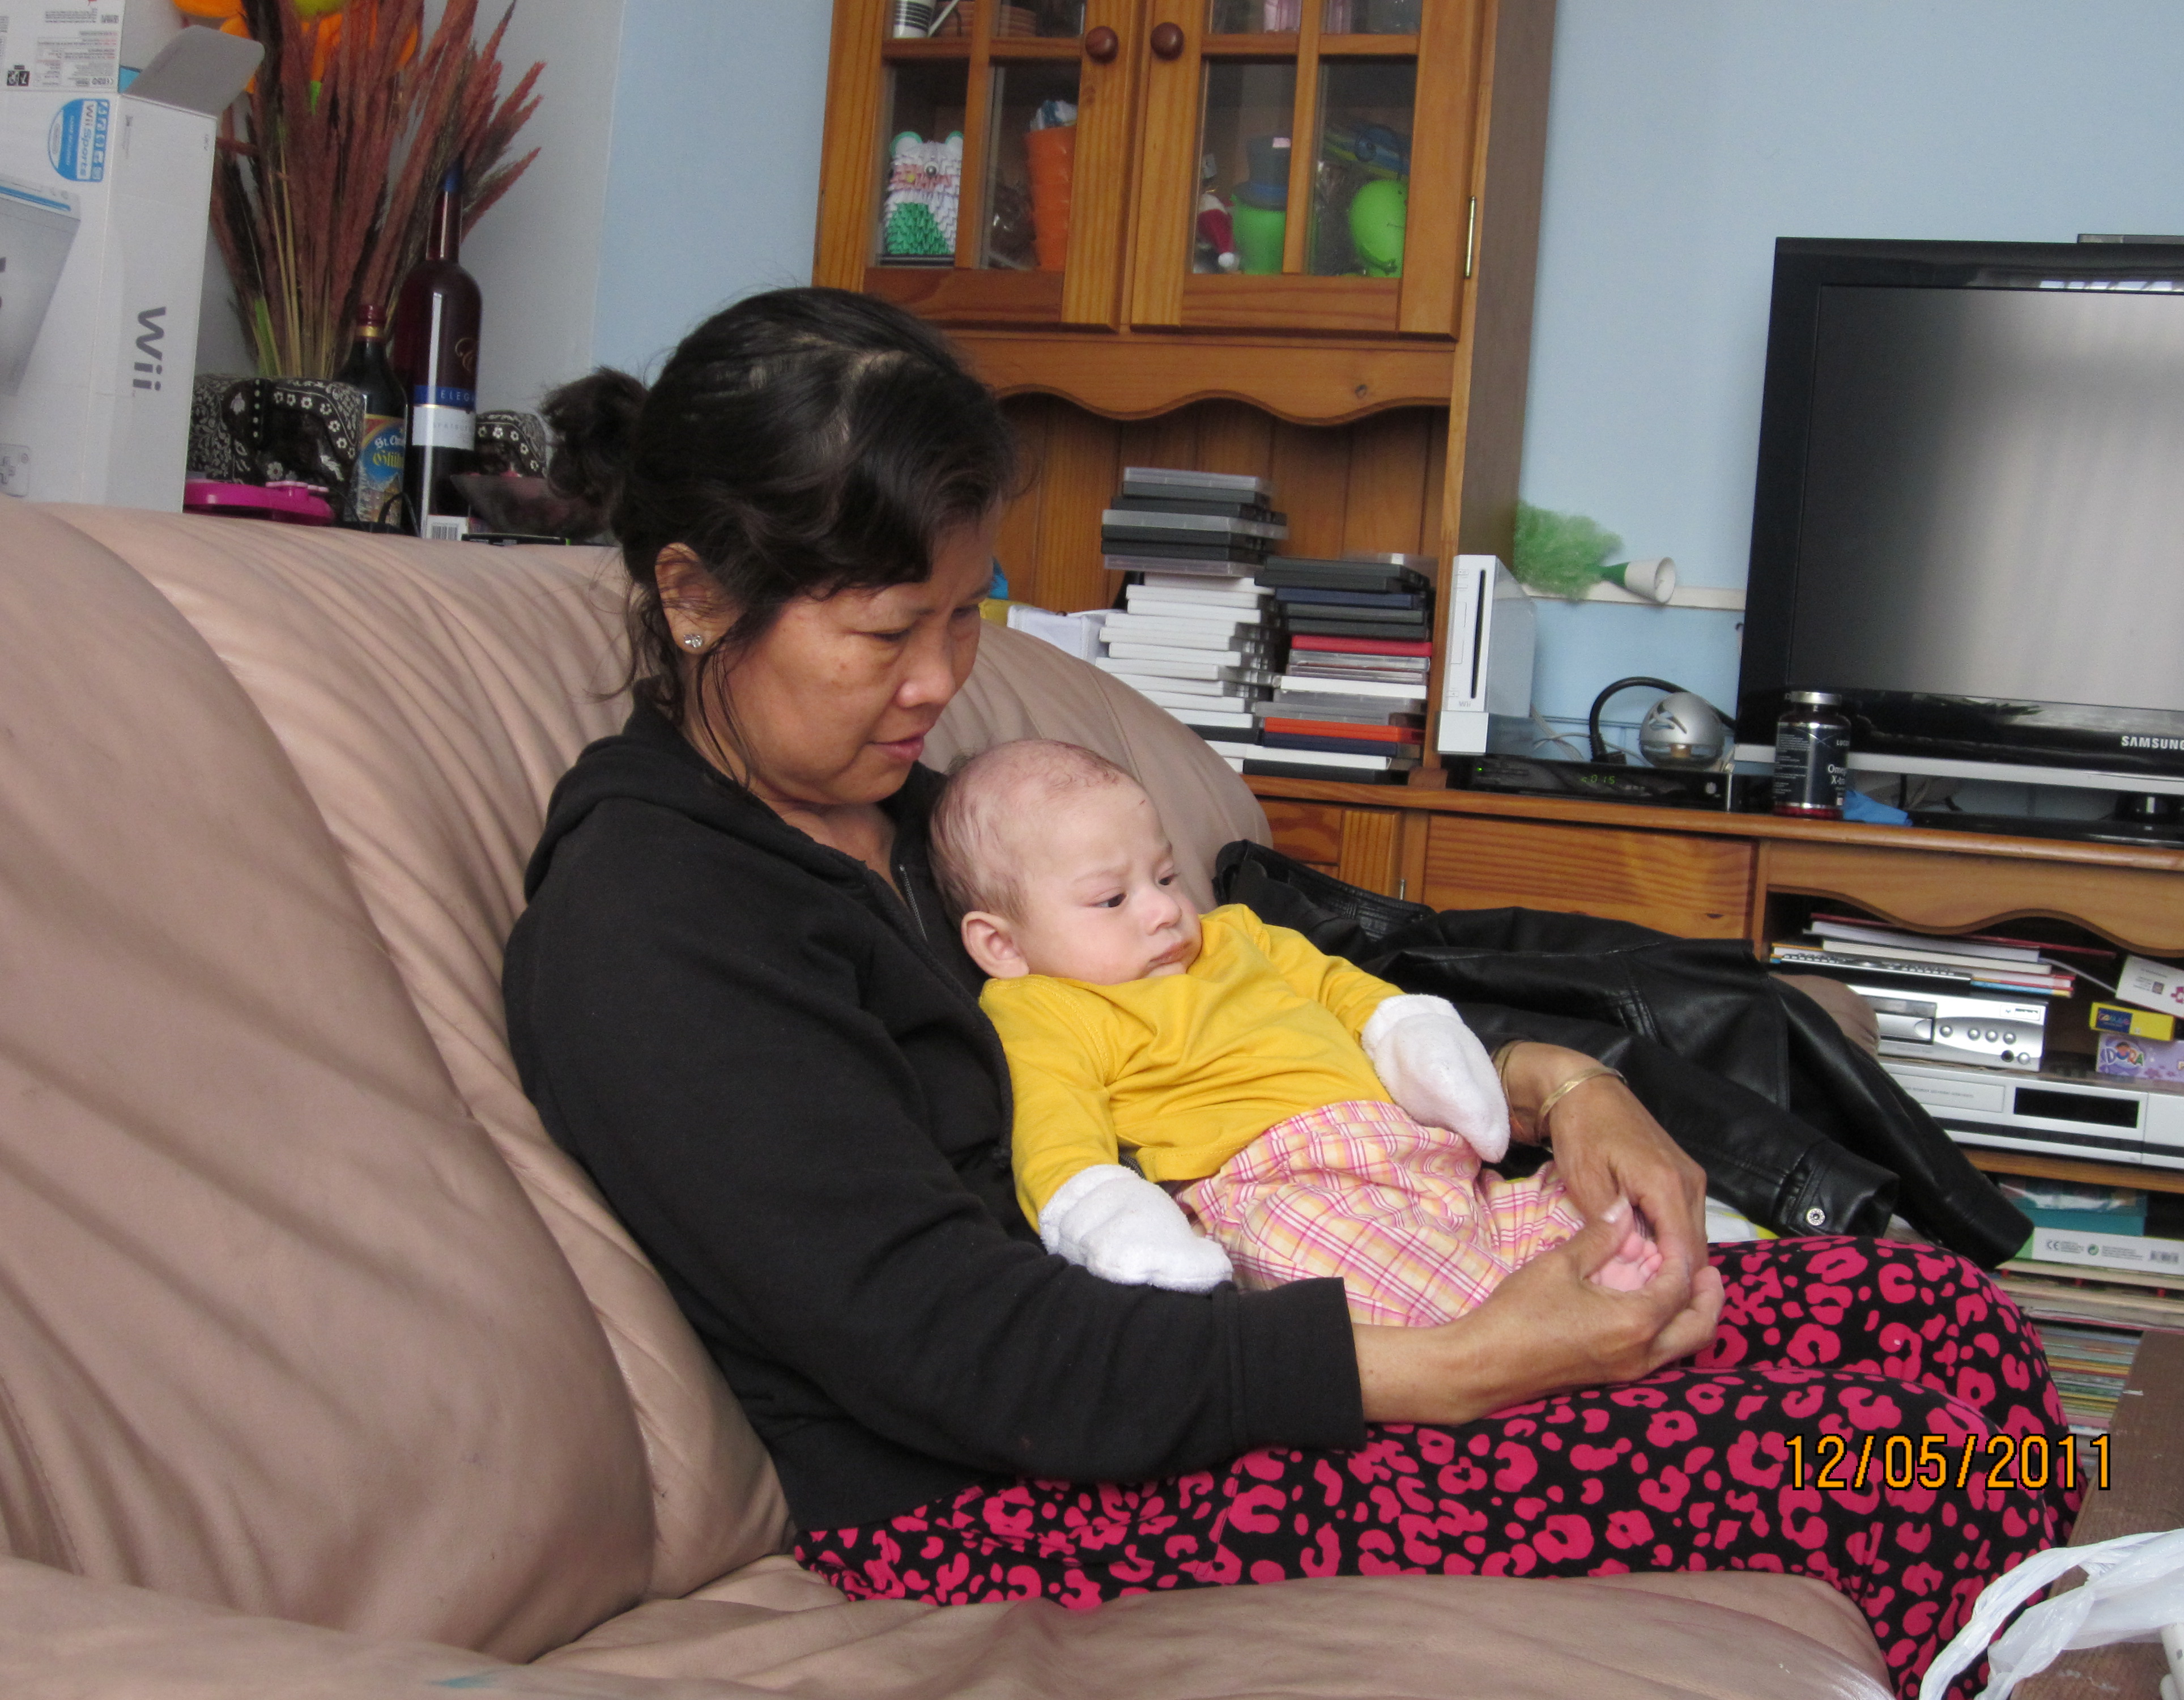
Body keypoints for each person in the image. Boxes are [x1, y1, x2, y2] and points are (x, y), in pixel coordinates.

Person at [506, 286, 2080, 1700]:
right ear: (694, 595)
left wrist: (1564, 1087)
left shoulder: (928, 825)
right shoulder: (655, 924)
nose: (939, 680)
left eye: (963, 614)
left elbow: (1265, 999)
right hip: (1018, 1495)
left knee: (1949, 1325)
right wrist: (1464, 1367)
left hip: (1264, 1328)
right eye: (882, 632)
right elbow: (957, 1348)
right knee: (1908, 1460)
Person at [929, 737, 1662, 1320]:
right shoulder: (1044, 1006)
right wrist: (1107, 1214)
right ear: (1003, 945)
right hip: (1272, 1186)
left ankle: (1581, 1266)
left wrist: (1410, 1031)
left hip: (1415, 1155)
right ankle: (1530, 1316)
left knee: (1568, 1201)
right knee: (1316, 1255)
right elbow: (1055, 1130)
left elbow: (1341, 987)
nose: (1163, 910)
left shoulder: (1238, 935)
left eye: (1165, 877)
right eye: (1111, 900)